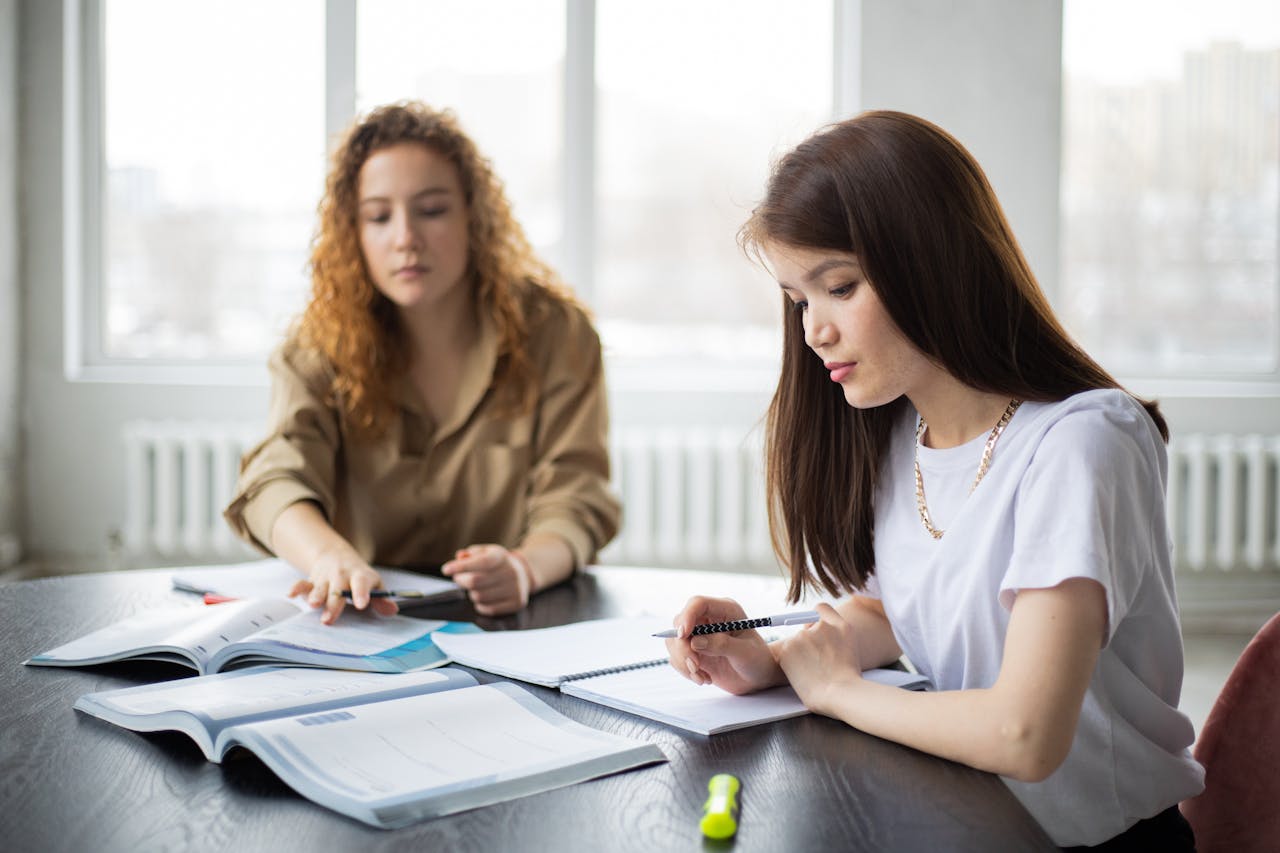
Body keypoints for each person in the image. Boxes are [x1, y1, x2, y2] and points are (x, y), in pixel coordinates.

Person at [665, 111, 1204, 849]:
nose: (813, 330)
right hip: (966, 822)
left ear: (933, 261)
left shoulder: (1082, 443)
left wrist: (839, 691)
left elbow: (1025, 733)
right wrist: (775, 657)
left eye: (840, 286)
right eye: (799, 300)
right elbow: (897, 613)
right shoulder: (897, 432)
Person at [225, 101, 620, 622]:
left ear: (474, 219)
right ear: (354, 232)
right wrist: (329, 556)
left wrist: (523, 568)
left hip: (511, 627)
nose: (405, 238)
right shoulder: (316, 345)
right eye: (378, 216)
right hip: (362, 621)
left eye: (431, 210)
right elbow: (276, 479)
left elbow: (576, 497)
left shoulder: (558, 334)